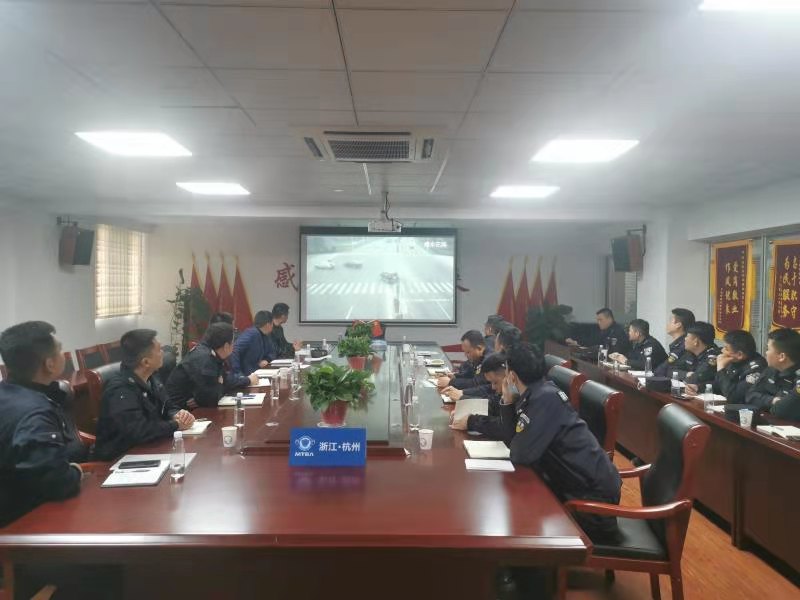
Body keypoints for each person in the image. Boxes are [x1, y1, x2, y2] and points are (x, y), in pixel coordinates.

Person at [499, 342, 621, 543]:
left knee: (520, 518)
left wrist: (508, 403)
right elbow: (515, 442)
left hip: (591, 507)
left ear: (512, 376)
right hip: (575, 489)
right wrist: (508, 402)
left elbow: (519, 454)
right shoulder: (541, 392)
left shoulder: (544, 400)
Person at [0, 321, 83, 526]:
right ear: (49, 364)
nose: (63, 354)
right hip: (24, 523)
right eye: (60, 350)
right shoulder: (35, 411)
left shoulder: (9, 393)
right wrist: (76, 472)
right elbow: (55, 483)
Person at [95, 330, 195, 460]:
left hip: (151, 448)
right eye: (159, 350)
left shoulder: (152, 377)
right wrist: (176, 425)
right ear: (146, 362)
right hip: (121, 458)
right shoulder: (121, 390)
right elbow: (140, 431)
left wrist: (178, 414)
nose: (163, 353)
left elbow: (168, 406)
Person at [166, 323, 258, 409]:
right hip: (177, 411)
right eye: (233, 343)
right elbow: (210, 398)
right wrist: (220, 384)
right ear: (226, 346)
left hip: (193, 409)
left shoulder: (212, 354)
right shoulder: (205, 358)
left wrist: (247, 380)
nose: (233, 346)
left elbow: (225, 380)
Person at [745, 328, 800, 421]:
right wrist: (772, 400)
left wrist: (767, 401)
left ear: (781, 357)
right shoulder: (772, 369)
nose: (765, 353)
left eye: (768, 349)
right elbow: (750, 396)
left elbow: (780, 411)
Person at [449, 353, 508, 439]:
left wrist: (471, 421)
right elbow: (493, 403)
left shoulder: (517, 396)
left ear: (510, 377)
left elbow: (503, 427)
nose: (493, 387)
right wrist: (468, 408)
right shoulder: (503, 391)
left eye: (495, 382)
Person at [702, 330, 765, 404]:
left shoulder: (756, 369)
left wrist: (721, 369)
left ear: (739, 354)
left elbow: (733, 397)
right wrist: (697, 387)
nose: (722, 350)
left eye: (726, 349)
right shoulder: (734, 360)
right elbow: (720, 384)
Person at [230, 310, 276, 378]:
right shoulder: (251, 334)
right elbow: (234, 350)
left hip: (257, 373)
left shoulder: (265, 335)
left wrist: (267, 359)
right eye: (272, 324)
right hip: (246, 375)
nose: (273, 326)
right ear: (268, 324)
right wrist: (238, 373)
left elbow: (272, 352)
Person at [654, 308, 696, 376]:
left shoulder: (684, 345)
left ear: (678, 325)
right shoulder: (678, 344)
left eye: (670, 321)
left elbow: (662, 370)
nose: (667, 324)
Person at [679, 322, 720, 386]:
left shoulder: (713, 356)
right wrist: (685, 374)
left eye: (687, 336)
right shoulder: (689, 352)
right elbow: (669, 370)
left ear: (696, 341)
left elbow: (695, 379)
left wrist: (687, 378)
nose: (685, 339)